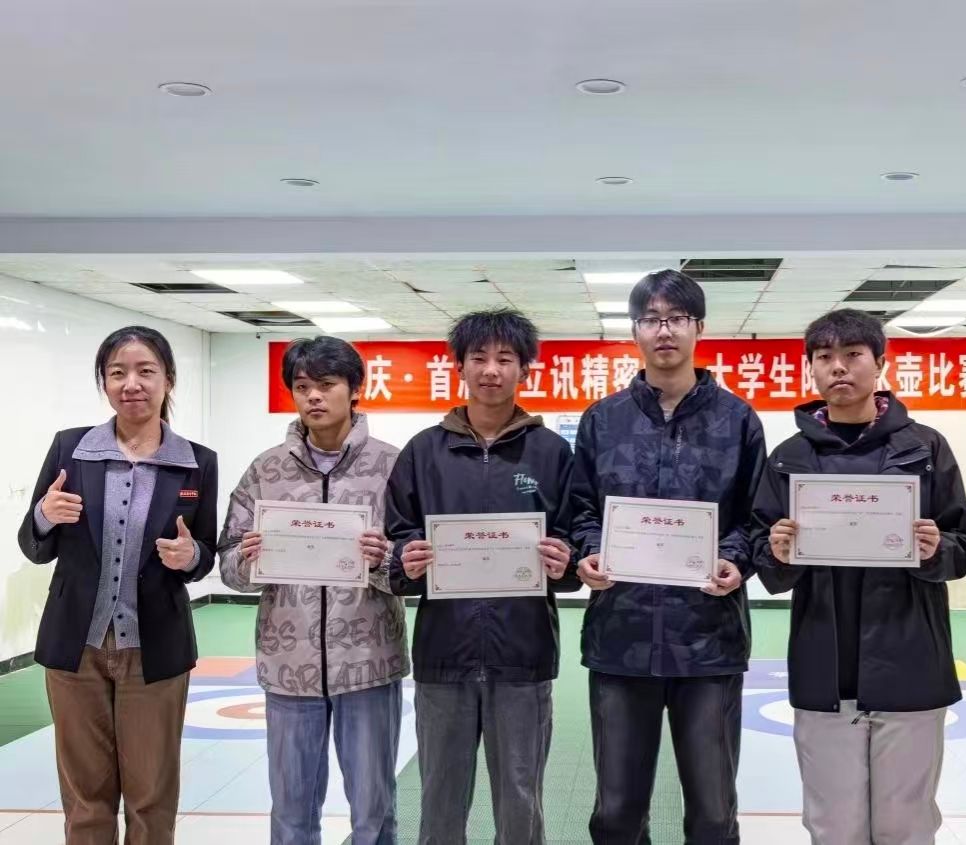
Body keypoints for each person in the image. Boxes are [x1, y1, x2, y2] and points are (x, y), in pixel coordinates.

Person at [750, 308, 966, 844]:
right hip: (824, 665)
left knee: (907, 823)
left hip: (910, 660)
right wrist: (778, 551)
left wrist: (934, 549)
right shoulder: (789, 457)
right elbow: (765, 558)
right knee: (833, 824)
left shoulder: (925, 448)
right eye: (824, 357)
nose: (839, 367)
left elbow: (963, 545)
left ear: (880, 364)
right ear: (811, 368)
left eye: (853, 355)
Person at [571, 269, 767, 845]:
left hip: (708, 641)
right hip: (620, 639)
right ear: (634, 330)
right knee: (616, 813)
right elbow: (580, 510)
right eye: (651, 319)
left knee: (712, 812)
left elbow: (755, 516)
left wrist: (734, 560)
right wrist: (590, 553)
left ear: (698, 328)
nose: (664, 330)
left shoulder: (737, 420)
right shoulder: (603, 420)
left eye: (676, 318)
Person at [17, 325, 218, 844]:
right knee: (86, 796)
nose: (132, 383)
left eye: (146, 371)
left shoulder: (198, 461)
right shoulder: (70, 449)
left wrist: (192, 555)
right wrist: (44, 515)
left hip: (155, 646)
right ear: (104, 383)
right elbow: (33, 544)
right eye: (117, 373)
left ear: (168, 380)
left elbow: (204, 551)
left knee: (152, 794)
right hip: (75, 645)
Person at [384, 308, 578, 845]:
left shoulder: (552, 453)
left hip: (523, 653)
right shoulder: (424, 452)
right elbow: (397, 537)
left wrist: (565, 561)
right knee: (440, 800)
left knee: (520, 799)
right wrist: (405, 560)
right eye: (479, 358)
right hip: (443, 651)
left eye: (505, 359)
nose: (491, 369)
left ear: (525, 370)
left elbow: (574, 536)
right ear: (460, 368)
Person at [217, 336, 406, 845]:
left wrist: (383, 560)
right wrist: (250, 560)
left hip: (368, 662)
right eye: (302, 387)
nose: (314, 397)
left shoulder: (393, 466)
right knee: (291, 811)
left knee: (374, 810)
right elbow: (229, 565)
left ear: (355, 389)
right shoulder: (266, 470)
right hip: (288, 665)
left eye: (327, 384)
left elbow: (415, 565)